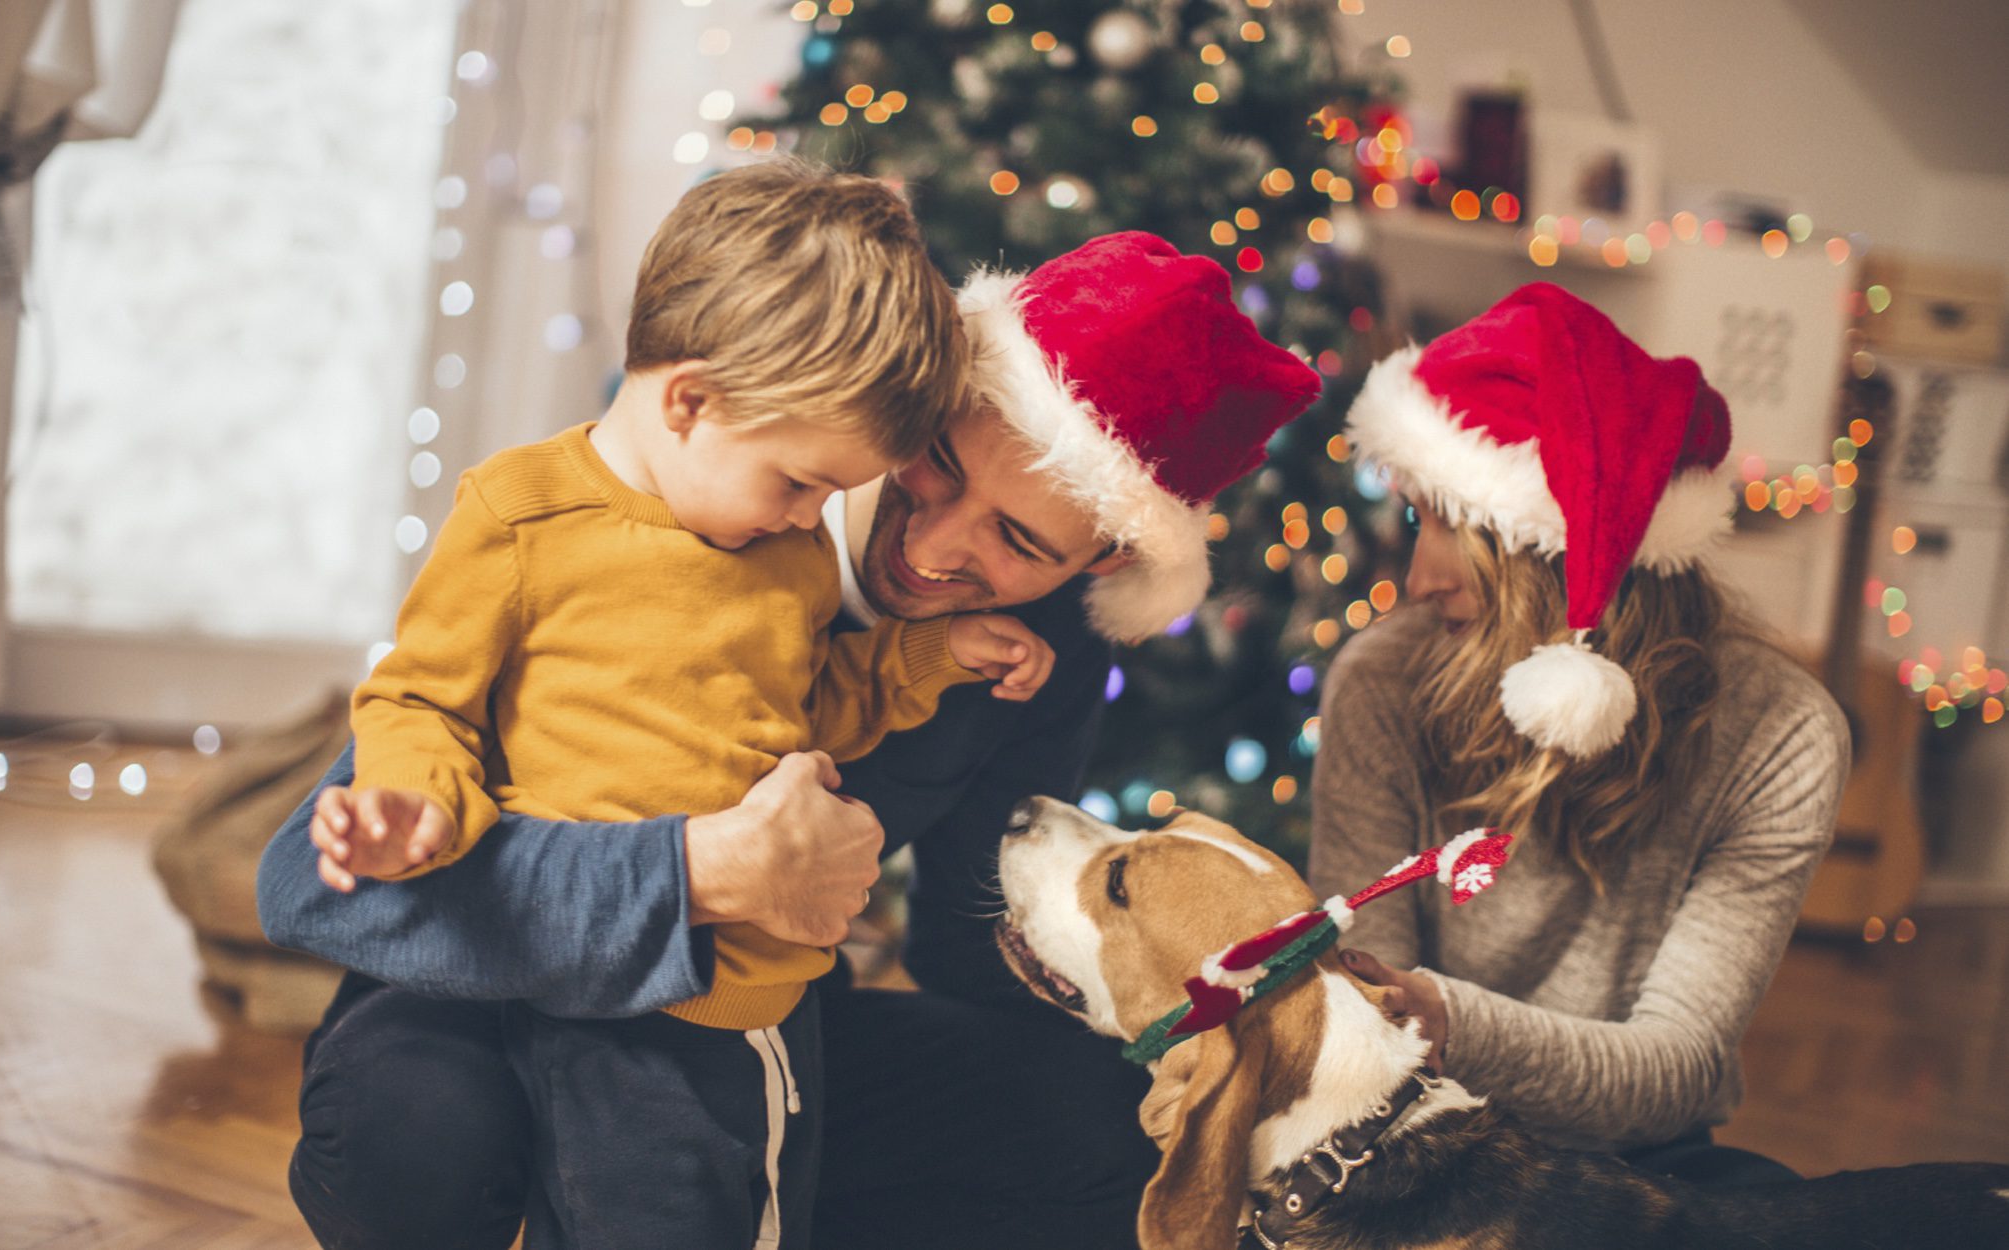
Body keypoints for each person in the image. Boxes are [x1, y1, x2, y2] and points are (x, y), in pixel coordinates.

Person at [257, 229, 1324, 1249]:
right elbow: (312, 885)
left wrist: (1219, 1002)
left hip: (727, 1020)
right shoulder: (666, 502)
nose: (939, 543)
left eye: (1019, 538)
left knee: (1108, 1125)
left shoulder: (1035, 656)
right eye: (939, 461)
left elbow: (966, 942)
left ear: (1097, 564)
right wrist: (697, 873)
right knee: (420, 1129)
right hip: (484, 993)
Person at [294, 158, 1075, 1250]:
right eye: (800, 479)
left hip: (708, 1004)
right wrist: (407, 802)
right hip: (514, 980)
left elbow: (818, 703)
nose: (813, 512)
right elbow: (421, 696)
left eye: (824, 489)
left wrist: (930, 657)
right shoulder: (521, 516)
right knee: (433, 1127)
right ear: (690, 400)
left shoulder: (782, 550)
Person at [1311, 282, 1847, 1187]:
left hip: (1631, 1155)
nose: (1417, 577)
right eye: (1416, 519)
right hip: (1416, 1122)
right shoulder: (1382, 685)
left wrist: (1445, 1019)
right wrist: (1409, 1025)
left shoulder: (1783, 739)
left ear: (1568, 556)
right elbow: (1366, 1012)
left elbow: (1675, 1066)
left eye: (1462, 527)